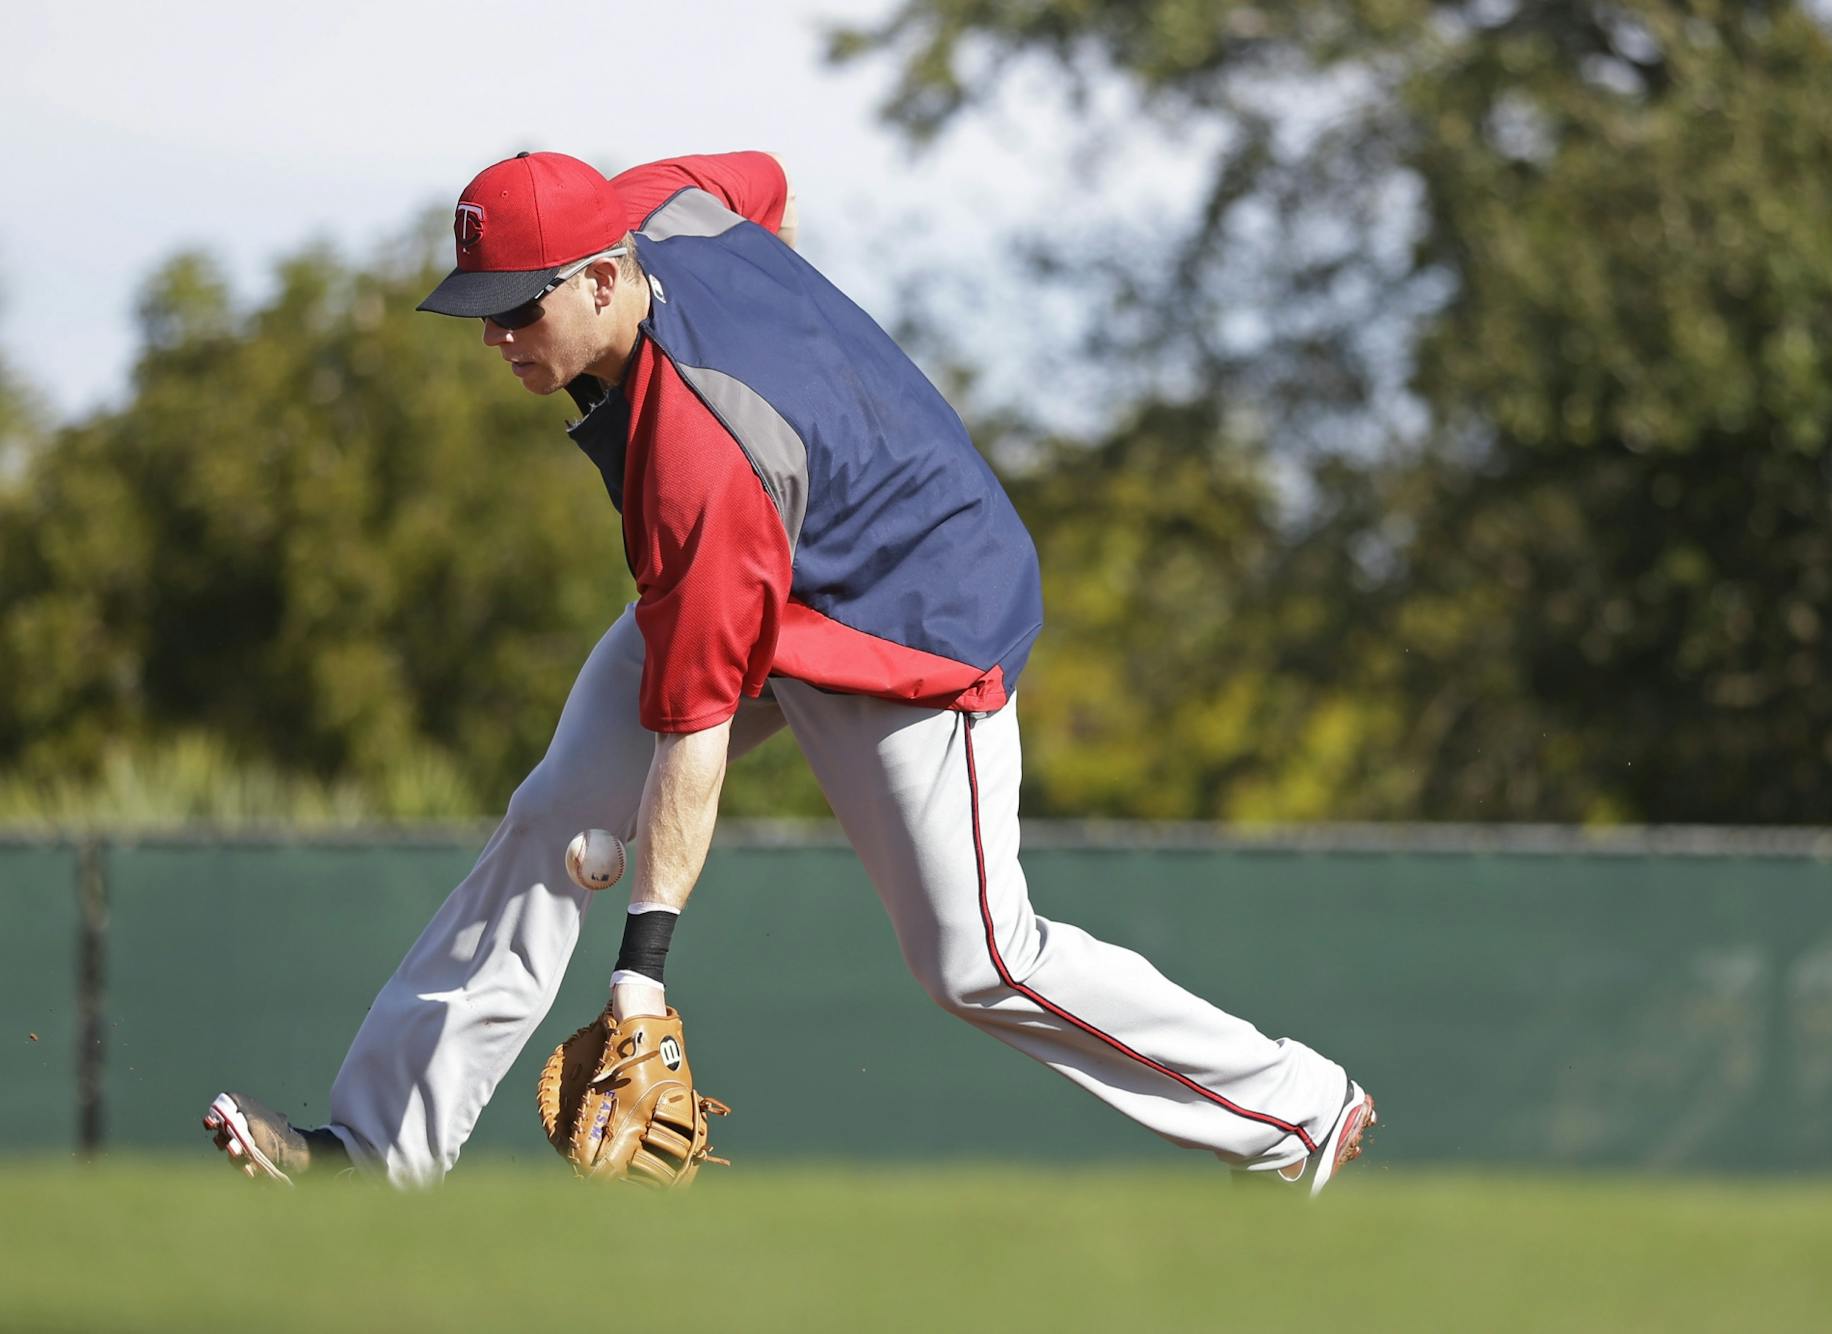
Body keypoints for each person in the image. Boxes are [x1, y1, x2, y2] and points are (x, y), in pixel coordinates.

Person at [201, 150, 1374, 1193]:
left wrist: (642, 980)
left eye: (519, 308)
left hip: (912, 622)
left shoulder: (699, 459)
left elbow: (694, 738)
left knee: (979, 957)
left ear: (605, 275)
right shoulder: (660, 199)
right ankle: (375, 1149)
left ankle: (1296, 1113)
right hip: (766, 566)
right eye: (480, 312)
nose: (499, 337)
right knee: (552, 816)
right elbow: (767, 181)